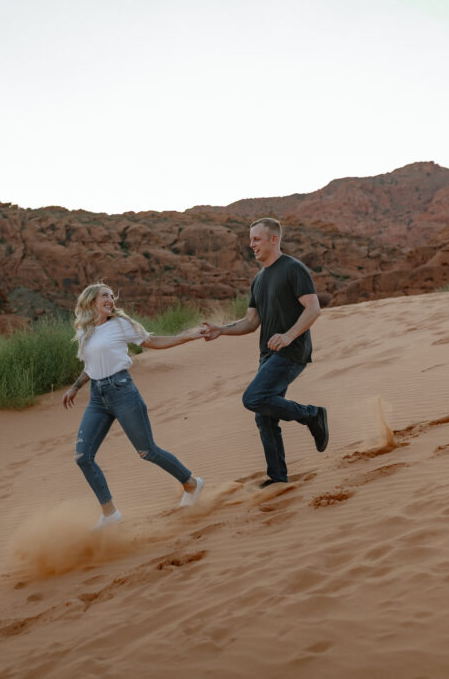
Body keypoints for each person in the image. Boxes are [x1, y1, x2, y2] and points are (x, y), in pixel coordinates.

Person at [63, 283, 204, 529]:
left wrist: (187, 336)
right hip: (97, 398)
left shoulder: (120, 324)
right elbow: (90, 365)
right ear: (91, 301)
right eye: (104, 296)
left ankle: (191, 483)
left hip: (122, 391)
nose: (110, 299)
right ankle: (110, 514)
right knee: (82, 457)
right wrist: (75, 387)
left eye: (111, 296)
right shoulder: (86, 330)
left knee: (147, 451)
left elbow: (152, 341)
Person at [201, 217, 329, 488]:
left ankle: (311, 415)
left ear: (274, 239)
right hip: (268, 354)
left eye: (256, 239)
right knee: (264, 416)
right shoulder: (258, 280)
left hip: (291, 351)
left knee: (253, 398)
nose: (252, 245)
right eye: (250, 240)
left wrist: (288, 335)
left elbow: (313, 308)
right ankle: (278, 477)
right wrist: (221, 330)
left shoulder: (293, 268)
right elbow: (251, 322)